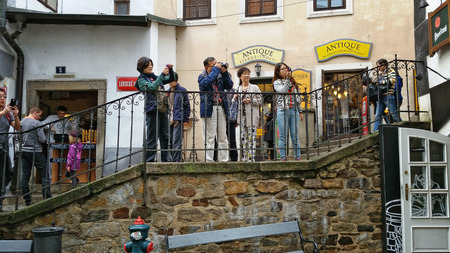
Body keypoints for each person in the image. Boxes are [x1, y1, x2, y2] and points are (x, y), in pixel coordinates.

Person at [135, 57, 174, 162]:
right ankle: (150, 161)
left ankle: (166, 160)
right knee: (152, 137)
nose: (150, 66)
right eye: (148, 64)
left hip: (162, 109)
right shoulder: (141, 80)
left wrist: (170, 69)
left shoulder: (154, 77)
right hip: (152, 110)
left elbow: (171, 79)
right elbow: (151, 88)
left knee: (165, 136)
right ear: (142, 66)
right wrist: (161, 76)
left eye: (151, 64)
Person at [198, 57, 233, 162]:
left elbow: (230, 85)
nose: (216, 68)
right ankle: (209, 161)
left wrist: (225, 73)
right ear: (206, 67)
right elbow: (204, 84)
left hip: (221, 107)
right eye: (213, 66)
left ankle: (224, 160)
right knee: (210, 137)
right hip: (209, 108)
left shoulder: (219, 77)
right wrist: (216, 70)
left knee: (222, 136)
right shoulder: (202, 76)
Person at [20, 107, 52, 206]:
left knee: (25, 175)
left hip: (24, 150)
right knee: (44, 174)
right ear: (35, 113)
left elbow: (17, 135)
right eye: (39, 115)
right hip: (35, 150)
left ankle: (27, 199)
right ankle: (47, 198)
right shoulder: (37, 123)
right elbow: (42, 139)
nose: (40, 117)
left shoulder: (21, 121)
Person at [273, 62, 303, 161]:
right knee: (282, 136)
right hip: (282, 110)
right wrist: (287, 80)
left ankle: (298, 156)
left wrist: (300, 111)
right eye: (283, 69)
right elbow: (283, 91)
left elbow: (297, 98)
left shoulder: (293, 82)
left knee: (295, 136)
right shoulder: (276, 83)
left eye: (287, 69)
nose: (286, 70)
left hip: (293, 111)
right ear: (278, 72)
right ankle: (283, 157)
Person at [234, 67, 262, 162]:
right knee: (243, 139)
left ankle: (251, 159)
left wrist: (251, 100)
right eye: (245, 74)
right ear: (240, 76)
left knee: (252, 139)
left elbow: (261, 99)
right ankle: (245, 158)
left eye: (248, 74)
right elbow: (233, 102)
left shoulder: (254, 87)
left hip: (252, 117)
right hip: (241, 117)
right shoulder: (238, 88)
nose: (247, 76)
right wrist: (235, 97)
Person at [0, 89, 20, 211]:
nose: (2, 99)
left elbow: (17, 127)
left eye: (4, 96)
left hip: (4, 147)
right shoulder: (4, 112)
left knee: (7, 172)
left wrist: (16, 115)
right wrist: (3, 112)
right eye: (0, 96)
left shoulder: (8, 113)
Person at [167, 72, 191, 162]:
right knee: (169, 141)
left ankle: (175, 162)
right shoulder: (168, 91)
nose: (169, 82)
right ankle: (172, 159)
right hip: (169, 119)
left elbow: (187, 105)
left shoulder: (182, 90)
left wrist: (186, 118)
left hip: (178, 118)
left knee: (176, 141)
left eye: (170, 79)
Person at [372, 59, 400, 131]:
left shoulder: (391, 71)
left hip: (388, 95)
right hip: (381, 96)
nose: (378, 69)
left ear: (383, 65)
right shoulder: (382, 74)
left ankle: (402, 126)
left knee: (394, 114)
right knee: (378, 115)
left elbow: (393, 80)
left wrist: (381, 82)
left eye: (379, 66)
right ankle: (375, 130)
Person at [226, 87, 238, 161]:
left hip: (231, 119)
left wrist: (236, 120)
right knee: (218, 140)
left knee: (232, 140)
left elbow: (236, 105)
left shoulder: (234, 91)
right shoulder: (219, 89)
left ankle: (234, 160)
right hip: (221, 117)